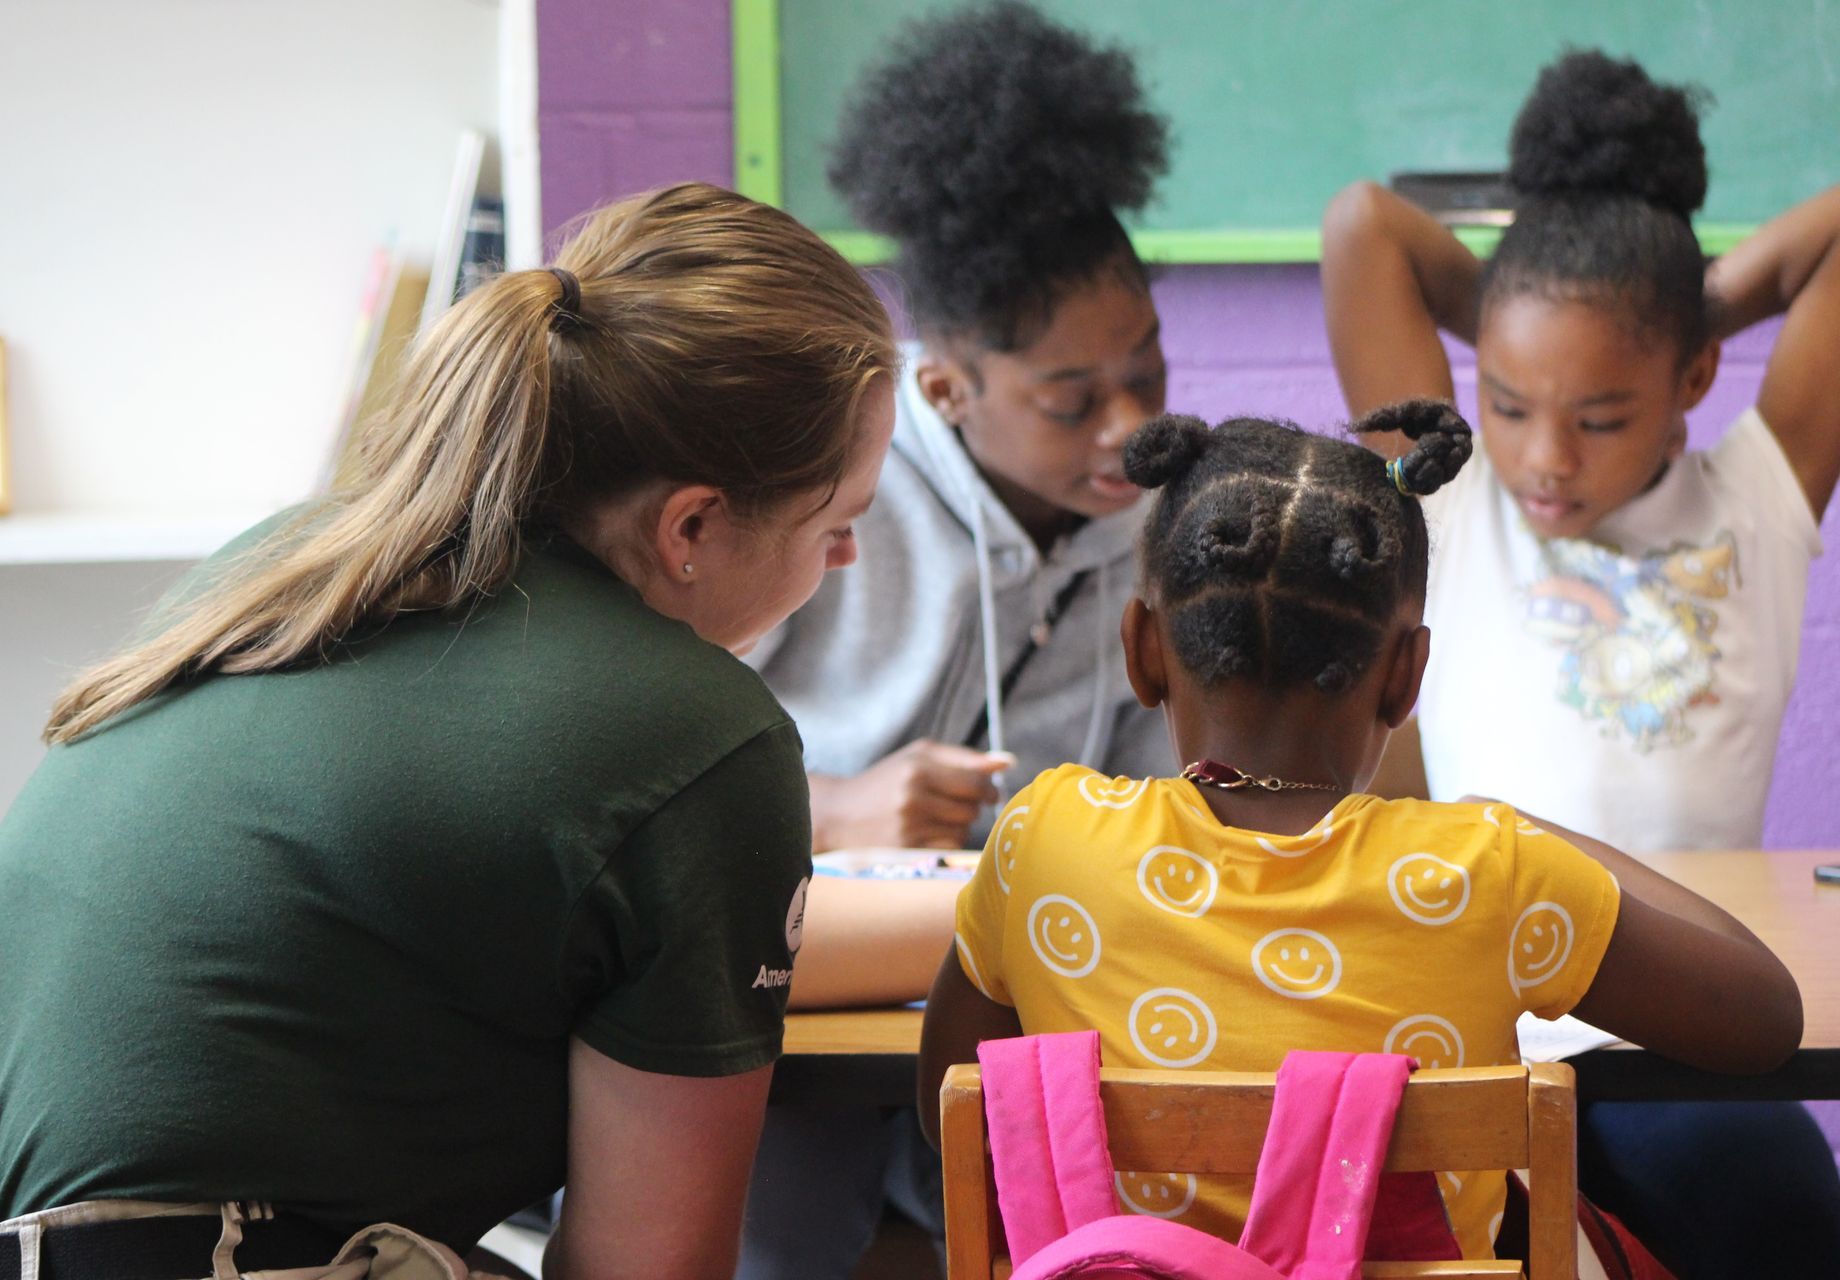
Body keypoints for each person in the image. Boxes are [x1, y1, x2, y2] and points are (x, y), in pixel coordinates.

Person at [0, 181, 898, 1280]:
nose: (847, 559)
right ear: (694, 525)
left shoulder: (289, 566)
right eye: (837, 522)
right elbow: (649, 1267)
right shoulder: (700, 733)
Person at [917, 406, 1804, 1265]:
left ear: (1143, 651)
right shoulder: (1487, 869)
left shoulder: (1042, 839)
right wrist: (1517, 826)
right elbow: (1764, 1018)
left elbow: (952, 1114)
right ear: (1407, 676)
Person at [1319, 50, 1840, 1276]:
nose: (1546, 455)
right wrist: (1548, 305)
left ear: (1693, 378)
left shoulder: (1757, 500)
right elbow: (1363, 226)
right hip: (1480, 1038)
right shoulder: (1447, 497)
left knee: (1793, 1226)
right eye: (1508, 403)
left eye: (1601, 414)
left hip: (1683, 1038)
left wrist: (1677, 302)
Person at [734, 5, 1174, 1276]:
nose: (1130, 424)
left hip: (1019, 1015)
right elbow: (635, 777)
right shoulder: (825, 498)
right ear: (945, 388)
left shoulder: (1157, 529)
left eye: (1147, 369)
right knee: (784, 1231)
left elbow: (1164, 798)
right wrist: (832, 805)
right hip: (797, 1002)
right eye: (1072, 400)